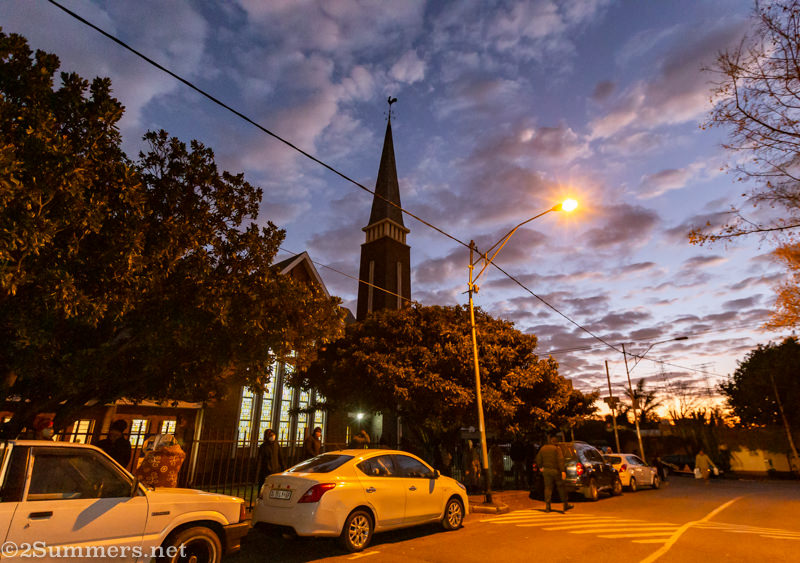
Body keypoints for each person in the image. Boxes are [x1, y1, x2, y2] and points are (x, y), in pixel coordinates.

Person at [535, 436, 573, 513]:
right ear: (555, 442)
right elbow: (560, 460)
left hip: (546, 471)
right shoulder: (557, 449)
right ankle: (565, 504)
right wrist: (562, 471)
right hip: (556, 471)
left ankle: (547, 506)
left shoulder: (543, 448)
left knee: (548, 488)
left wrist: (541, 467)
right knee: (561, 487)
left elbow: (538, 459)